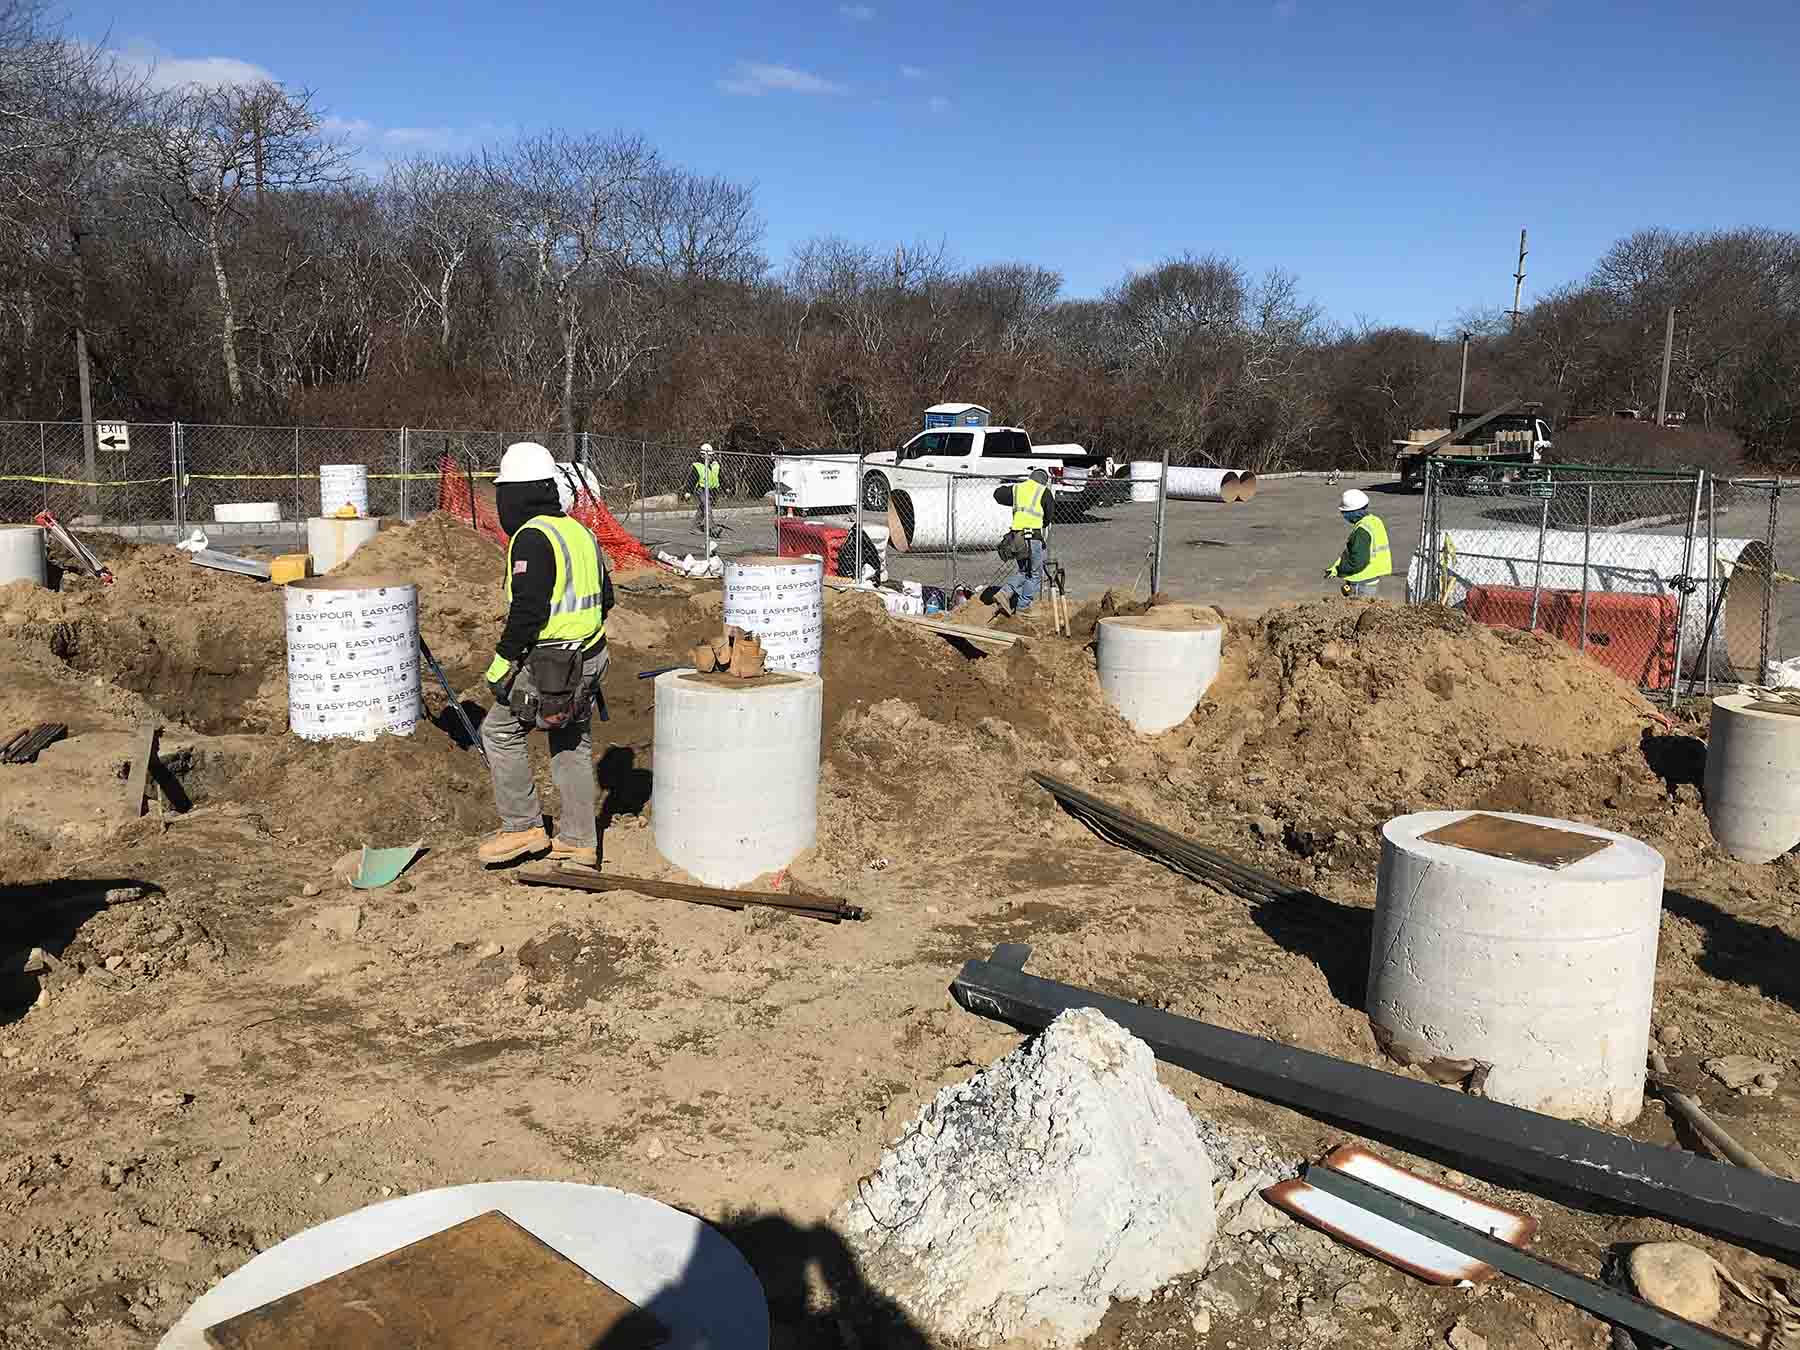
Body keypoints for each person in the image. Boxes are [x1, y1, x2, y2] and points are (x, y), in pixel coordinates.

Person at [477, 441, 614, 869]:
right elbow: (606, 597)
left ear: (515, 495)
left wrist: (502, 664)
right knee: (571, 741)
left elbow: (529, 611)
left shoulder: (532, 537)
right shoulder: (578, 531)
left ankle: (523, 828)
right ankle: (578, 841)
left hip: (552, 666)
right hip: (591, 655)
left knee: (500, 732)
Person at [992, 467, 1052, 616]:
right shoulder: (1044, 492)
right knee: (1034, 573)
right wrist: (1041, 523)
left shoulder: (1018, 489)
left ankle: (1006, 593)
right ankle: (1022, 605)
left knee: (1025, 570)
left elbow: (998, 494)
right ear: (1044, 481)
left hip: (1016, 538)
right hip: (1033, 537)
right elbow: (1049, 516)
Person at [1324, 487, 1392, 598]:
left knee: (1356, 611)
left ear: (1353, 511)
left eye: (1344, 512)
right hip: (1371, 578)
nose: (1344, 515)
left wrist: (1339, 569)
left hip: (1361, 582)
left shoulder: (1362, 531)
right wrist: (1335, 567)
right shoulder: (1374, 521)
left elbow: (1357, 561)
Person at [689, 442, 720, 535]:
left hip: (711, 490)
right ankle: (713, 529)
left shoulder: (714, 465)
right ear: (702, 455)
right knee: (707, 507)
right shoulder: (698, 466)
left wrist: (727, 487)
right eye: (708, 455)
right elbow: (691, 479)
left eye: (710, 455)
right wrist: (688, 491)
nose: (709, 457)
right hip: (701, 489)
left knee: (703, 508)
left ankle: (695, 527)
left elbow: (719, 477)